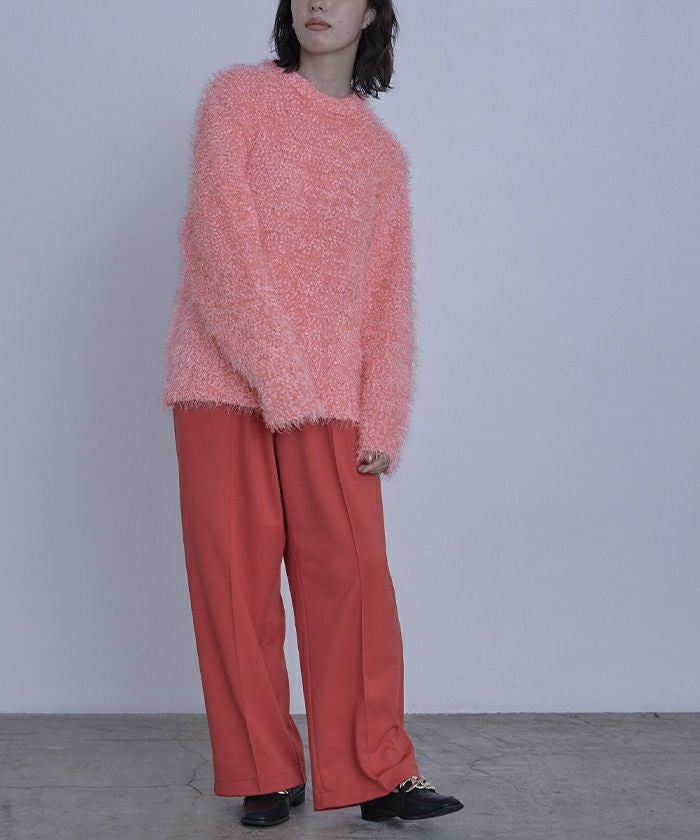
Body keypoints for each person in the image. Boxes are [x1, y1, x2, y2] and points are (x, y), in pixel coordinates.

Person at [162, 0, 464, 828]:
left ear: (372, 14)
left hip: (331, 399)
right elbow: (218, 242)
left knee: (354, 584)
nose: (319, 3)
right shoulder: (237, 99)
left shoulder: (380, 155)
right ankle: (265, 771)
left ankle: (378, 771)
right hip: (222, 382)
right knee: (235, 587)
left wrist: (383, 416)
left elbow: (387, 298)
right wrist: (283, 381)